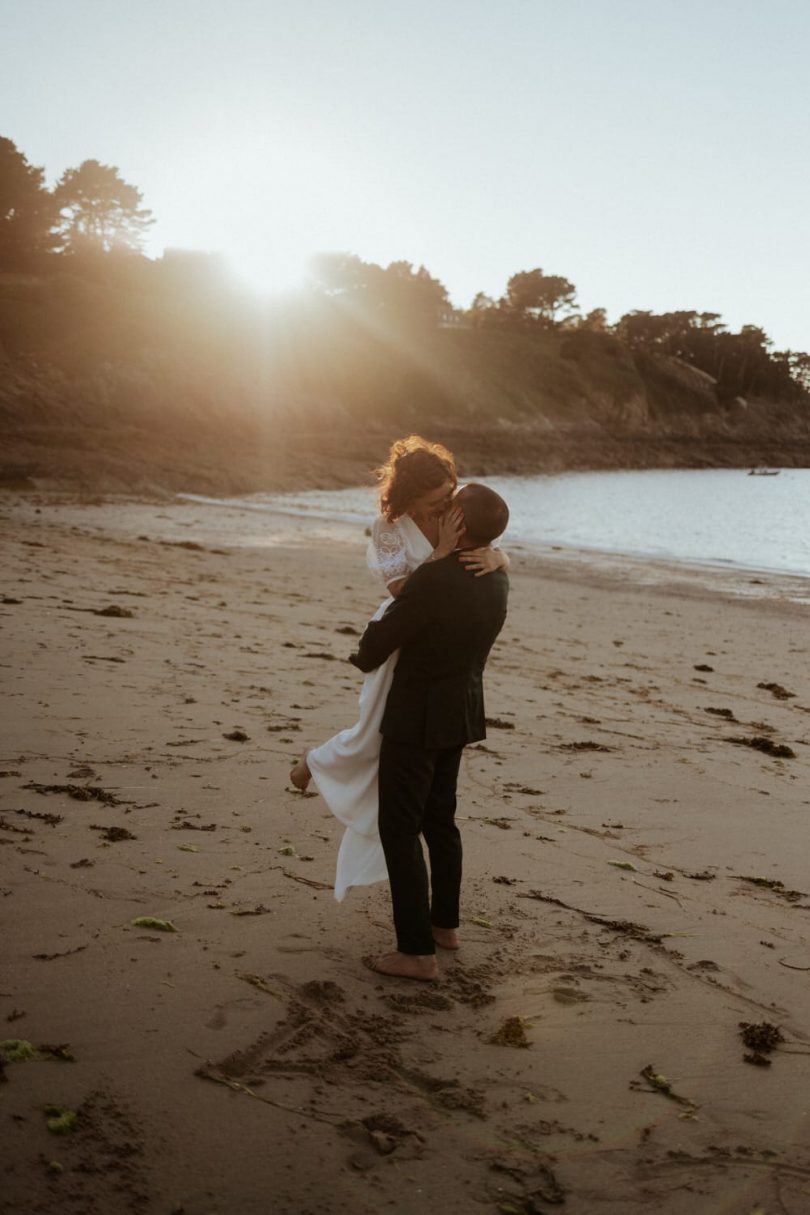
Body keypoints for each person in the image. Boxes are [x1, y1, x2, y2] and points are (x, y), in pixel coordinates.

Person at [289, 435, 508, 901]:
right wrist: (443, 552)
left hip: (439, 643)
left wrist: (500, 555)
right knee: (372, 733)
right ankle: (317, 761)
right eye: (435, 501)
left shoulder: (456, 515)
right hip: (401, 631)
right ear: (408, 498)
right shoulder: (388, 528)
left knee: (412, 772)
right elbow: (403, 592)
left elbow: (486, 543)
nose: (447, 507)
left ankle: (326, 766)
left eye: (450, 495)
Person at [349, 482, 510, 980]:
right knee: (441, 821)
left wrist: (428, 571)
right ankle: (445, 926)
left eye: (447, 507)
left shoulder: (437, 578)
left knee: (399, 828)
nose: (437, 512)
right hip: (460, 711)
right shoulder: (496, 577)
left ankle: (416, 952)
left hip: (416, 716)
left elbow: (374, 648)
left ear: (457, 522)